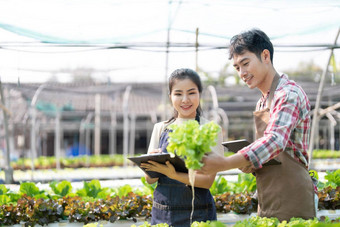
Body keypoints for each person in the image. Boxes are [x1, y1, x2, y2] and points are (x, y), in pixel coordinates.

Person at [199, 28, 316, 221]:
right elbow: (269, 153)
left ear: (265, 55)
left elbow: (276, 140)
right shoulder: (262, 101)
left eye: (245, 63)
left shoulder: (288, 94)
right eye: (237, 68)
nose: (242, 73)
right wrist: (250, 165)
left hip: (293, 195)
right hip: (268, 195)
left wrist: (227, 162)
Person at [140, 68, 224, 227]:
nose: (185, 99)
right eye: (178, 94)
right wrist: (152, 164)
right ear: (170, 97)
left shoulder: (210, 129)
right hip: (163, 212)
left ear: (200, 93)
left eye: (191, 93)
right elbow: (150, 180)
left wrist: (172, 173)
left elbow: (207, 182)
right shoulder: (161, 128)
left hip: (199, 212)